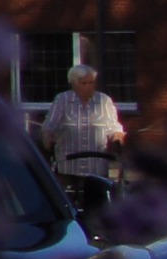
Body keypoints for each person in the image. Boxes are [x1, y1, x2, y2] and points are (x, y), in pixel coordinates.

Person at [36, 60, 128, 219]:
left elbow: (114, 126)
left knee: (98, 202)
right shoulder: (62, 100)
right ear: (73, 83)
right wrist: (48, 137)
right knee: (66, 200)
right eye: (84, 83)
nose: (89, 87)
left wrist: (118, 136)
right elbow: (50, 125)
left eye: (91, 82)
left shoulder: (103, 101)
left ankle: (98, 226)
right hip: (69, 161)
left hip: (97, 161)